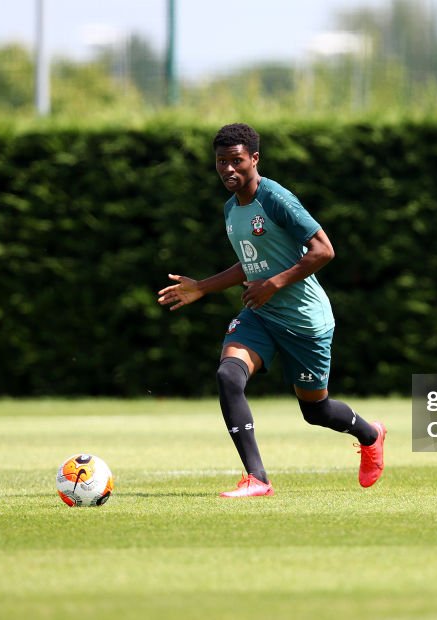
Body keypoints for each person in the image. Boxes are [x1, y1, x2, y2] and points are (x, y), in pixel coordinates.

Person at [157, 123, 386, 498]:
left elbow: (323, 250)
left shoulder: (276, 199)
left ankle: (371, 435)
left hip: (304, 321)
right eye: (221, 162)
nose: (228, 169)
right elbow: (250, 264)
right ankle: (257, 479)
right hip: (261, 315)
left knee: (317, 412)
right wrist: (201, 287)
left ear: (254, 159)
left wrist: (274, 285)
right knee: (229, 377)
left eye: (237, 161)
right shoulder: (231, 209)